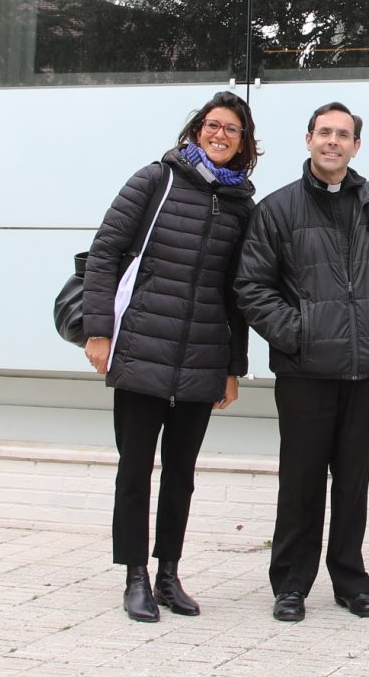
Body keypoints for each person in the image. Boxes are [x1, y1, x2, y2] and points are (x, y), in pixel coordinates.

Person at [235, 101, 369, 623]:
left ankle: (350, 581)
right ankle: (291, 585)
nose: (333, 142)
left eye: (343, 135)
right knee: (299, 480)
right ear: (309, 139)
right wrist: (296, 334)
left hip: (367, 368)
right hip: (303, 370)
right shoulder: (277, 210)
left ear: (356, 146)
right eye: (325, 132)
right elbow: (253, 286)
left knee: (353, 480)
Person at [80, 91, 258, 623]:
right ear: (195, 130)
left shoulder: (242, 203)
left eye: (231, 129)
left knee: (181, 473)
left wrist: (233, 367)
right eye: (212, 125)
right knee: (135, 469)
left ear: (245, 143)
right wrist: (99, 332)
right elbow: (105, 252)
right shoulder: (155, 180)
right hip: (141, 347)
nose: (220, 134)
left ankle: (168, 574)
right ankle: (134, 575)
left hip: (202, 357)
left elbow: (238, 293)